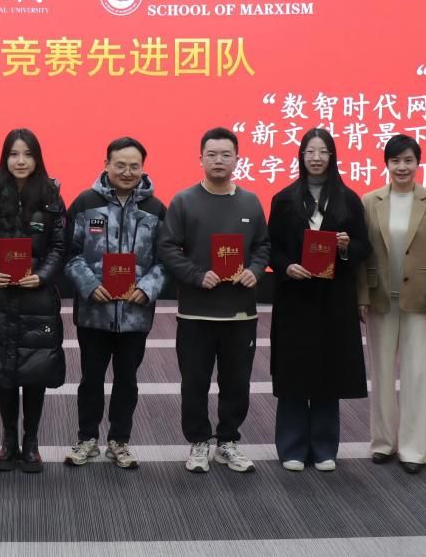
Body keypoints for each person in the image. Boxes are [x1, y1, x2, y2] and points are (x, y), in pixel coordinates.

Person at [158, 127, 270, 475]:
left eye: (226, 155)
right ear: (201, 159)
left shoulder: (250, 202)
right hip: (196, 312)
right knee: (194, 381)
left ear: (237, 159)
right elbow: (167, 247)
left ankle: (228, 442)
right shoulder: (183, 201)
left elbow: (262, 245)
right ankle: (198, 441)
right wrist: (195, 275)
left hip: (240, 313)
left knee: (236, 382)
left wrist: (255, 270)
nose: (219, 160)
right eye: (212, 154)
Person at [268, 127, 370, 472]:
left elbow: (364, 247)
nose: (316, 158)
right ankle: (292, 446)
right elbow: (272, 247)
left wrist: (346, 247)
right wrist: (287, 267)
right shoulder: (284, 199)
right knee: (294, 372)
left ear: (332, 156)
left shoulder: (348, 200)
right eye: (310, 151)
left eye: (322, 151)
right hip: (295, 298)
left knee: (330, 371)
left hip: (334, 300)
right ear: (301, 156)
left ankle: (325, 447)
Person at [0, 129, 66, 473]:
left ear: (37, 158)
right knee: (3, 369)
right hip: (0, 294)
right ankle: (9, 441)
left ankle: (32, 442)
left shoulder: (51, 195)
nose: (20, 161)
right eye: (13, 154)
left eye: (27, 154)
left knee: (35, 369)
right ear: (5, 158)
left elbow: (59, 246)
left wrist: (43, 275)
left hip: (37, 296)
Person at [64, 136, 167, 469]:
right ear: (106, 164)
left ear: (143, 168)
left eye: (134, 166)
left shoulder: (155, 209)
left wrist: (147, 288)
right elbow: (69, 253)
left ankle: (120, 441)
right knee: (91, 379)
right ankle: (86, 438)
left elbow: (166, 259)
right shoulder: (85, 203)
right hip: (94, 312)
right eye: (120, 165)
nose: (127, 172)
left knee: (127, 380)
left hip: (135, 314)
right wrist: (89, 285)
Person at [358, 134, 426, 474]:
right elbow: (363, 255)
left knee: (417, 375)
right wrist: (362, 296)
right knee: (381, 374)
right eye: (395, 160)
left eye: (408, 160)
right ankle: (383, 443)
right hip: (380, 300)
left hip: (419, 302)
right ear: (387, 163)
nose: (402, 167)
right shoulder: (370, 200)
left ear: (418, 163)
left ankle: (414, 449)